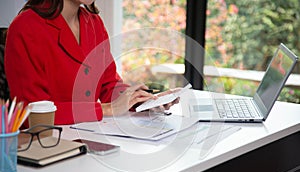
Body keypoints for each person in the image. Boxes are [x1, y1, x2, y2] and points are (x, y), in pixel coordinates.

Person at [5, 0, 178, 125]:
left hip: (89, 138)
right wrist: (106, 109)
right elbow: (30, 112)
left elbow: (108, 85)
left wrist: (144, 101)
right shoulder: (25, 26)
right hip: (47, 146)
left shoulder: (94, 23)